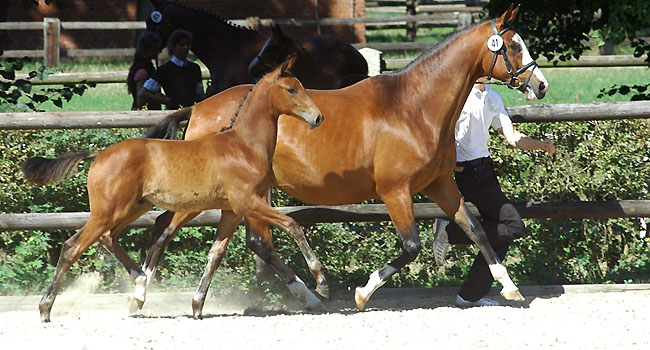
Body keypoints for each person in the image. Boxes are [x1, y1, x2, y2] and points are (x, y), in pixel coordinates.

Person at [433, 80, 556, 307]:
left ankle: (469, 295)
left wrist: (540, 145)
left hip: (485, 169)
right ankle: (450, 231)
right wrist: (452, 164)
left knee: (503, 234)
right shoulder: (458, 95)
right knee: (514, 226)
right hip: (468, 171)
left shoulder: (492, 96)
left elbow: (512, 138)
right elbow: (440, 132)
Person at [139, 29, 206, 110]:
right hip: (171, 113)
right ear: (173, 47)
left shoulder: (195, 68)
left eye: (187, 44)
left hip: (191, 112)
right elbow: (143, 93)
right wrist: (165, 100)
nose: (185, 47)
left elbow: (199, 95)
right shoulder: (164, 70)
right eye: (181, 45)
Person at [127, 31, 162, 110]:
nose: (157, 53)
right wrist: (162, 99)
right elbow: (141, 99)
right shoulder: (143, 71)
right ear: (146, 49)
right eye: (155, 49)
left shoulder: (141, 67)